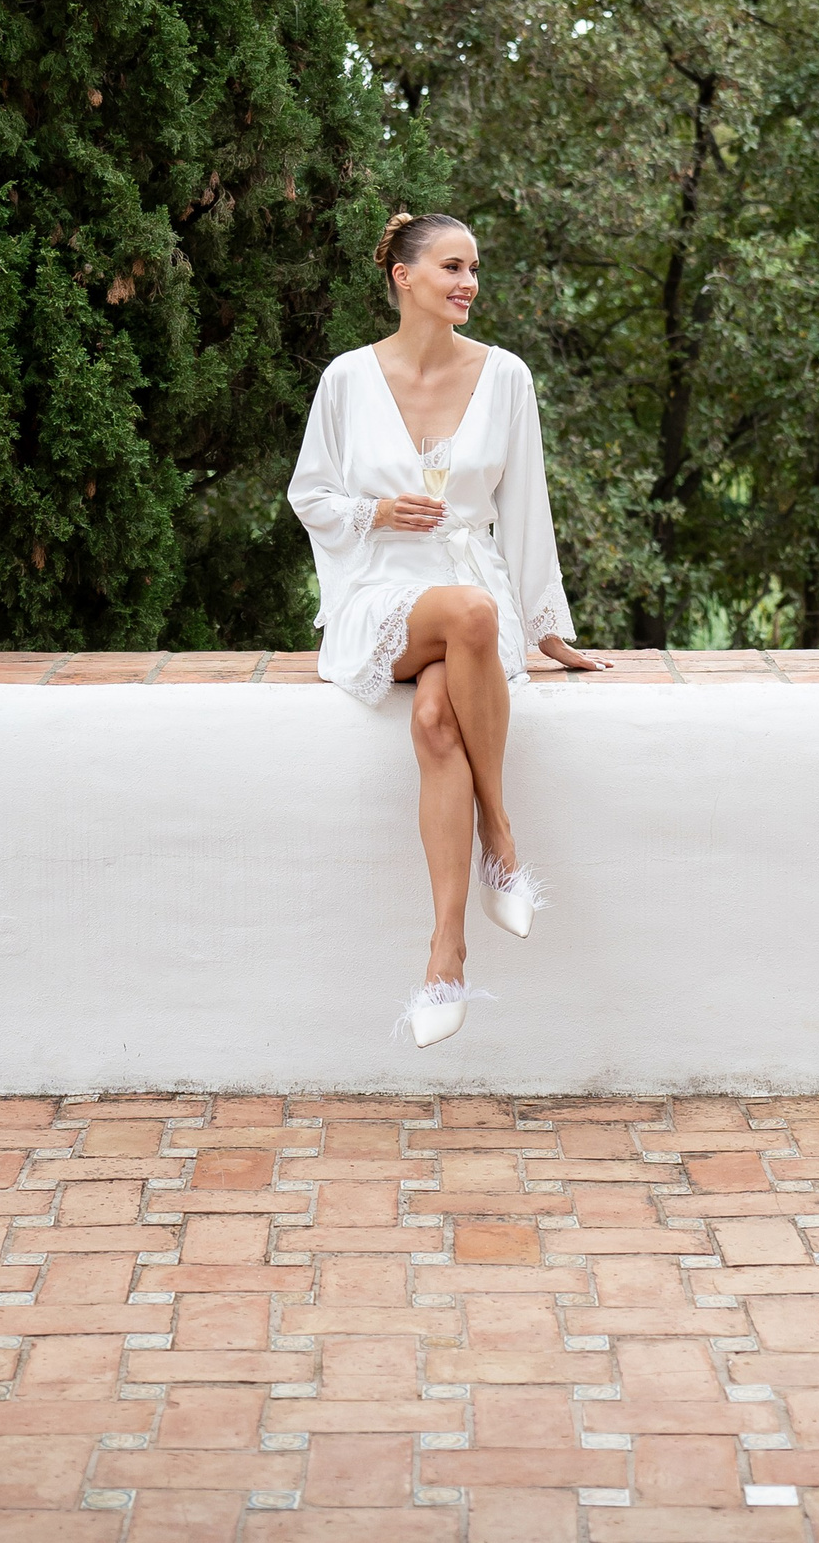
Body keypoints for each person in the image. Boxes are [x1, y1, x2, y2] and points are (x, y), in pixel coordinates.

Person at [287, 210, 612, 1045]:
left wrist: (547, 629)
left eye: (473, 269)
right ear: (403, 276)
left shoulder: (506, 377)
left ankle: (447, 956)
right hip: (381, 595)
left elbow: (526, 508)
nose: (469, 283)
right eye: (452, 267)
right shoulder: (347, 379)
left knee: (437, 720)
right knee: (467, 613)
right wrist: (377, 511)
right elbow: (310, 494)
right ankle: (500, 830)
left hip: (474, 588)